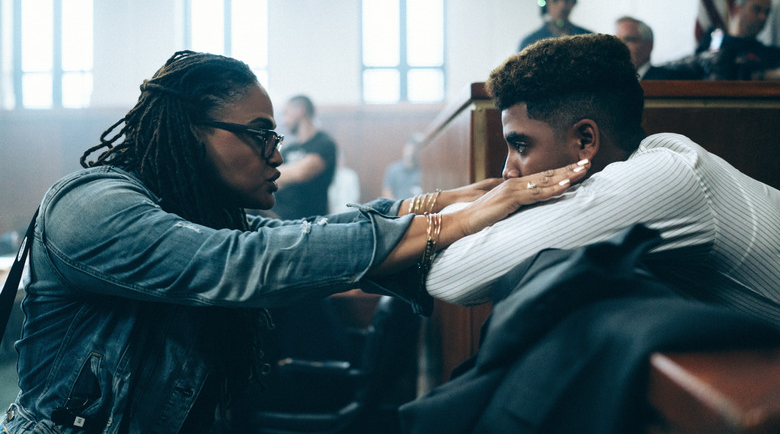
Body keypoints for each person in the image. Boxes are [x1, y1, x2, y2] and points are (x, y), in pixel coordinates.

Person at [0, 50, 589, 433]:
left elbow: (311, 234)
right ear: (190, 133)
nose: (277, 154)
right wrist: (454, 223)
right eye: (260, 136)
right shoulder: (90, 205)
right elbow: (240, 264)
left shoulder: (206, 214)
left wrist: (459, 199)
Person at [424, 34, 780, 327]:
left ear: (585, 141)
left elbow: (452, 277)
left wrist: (468, 214)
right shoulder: (649, 164)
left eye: (520, 145)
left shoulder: (665, 178)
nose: (507, 171)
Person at [272, 95, 337, 219]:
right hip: (279, 219)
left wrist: (267, 173)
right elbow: (273, 183)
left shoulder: (324, 143)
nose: (284, 121)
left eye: (286, 113)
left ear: (300, 110)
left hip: (309, 222)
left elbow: (301, 173)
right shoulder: (289, 148)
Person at [688, 0, 780, 79]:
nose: (763, 17)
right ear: (737, 8)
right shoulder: (714, 40)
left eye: (767, 12)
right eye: (757, 9)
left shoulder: (771, 54)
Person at [615, 16, 700, 80]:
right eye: (617, 41)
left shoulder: (673, 79)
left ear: (648, 46)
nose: (620, 46)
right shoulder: (611, 82)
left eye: (628, 40)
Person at [518, 0, 593, 51]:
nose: (562, 6)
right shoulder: (529, 43)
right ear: (545, 6)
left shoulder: (590, 38)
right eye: (555, 0)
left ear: (573, 3)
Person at [381, 134, 423, 200]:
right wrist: (396, 208)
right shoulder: (393, 170)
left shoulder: (422, 171)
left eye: (414, 149)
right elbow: (387, 193)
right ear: (405, 148)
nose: (410, 153)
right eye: (409, 148)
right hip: (397, 207)